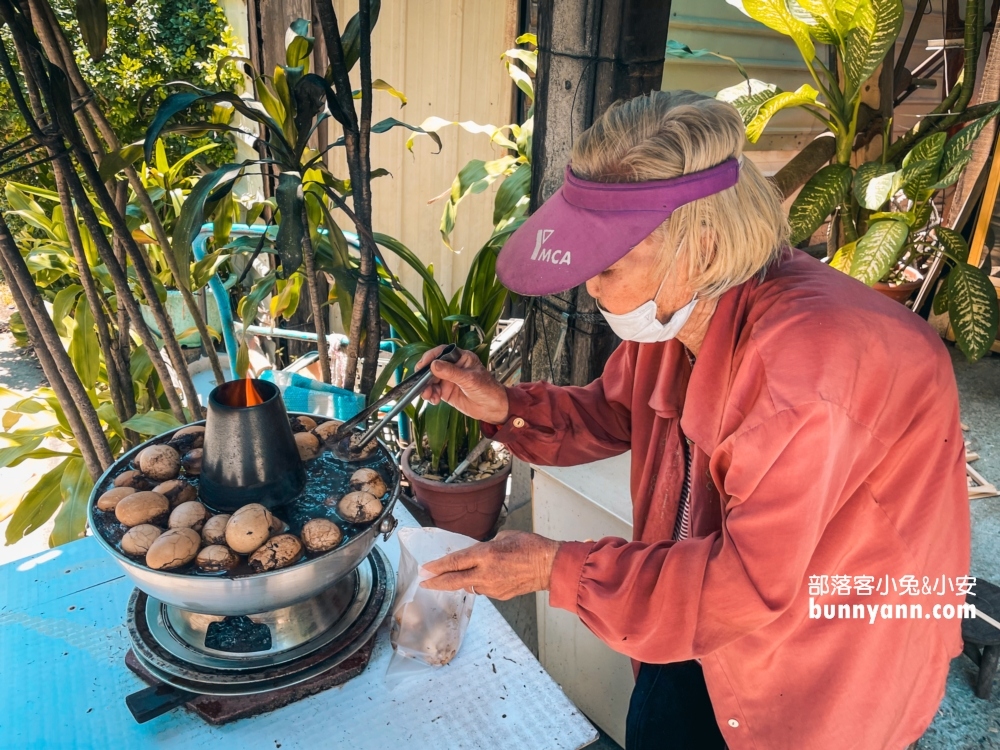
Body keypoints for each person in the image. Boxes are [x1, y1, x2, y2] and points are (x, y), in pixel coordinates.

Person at [415, 90, 969, 750]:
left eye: (610, 264)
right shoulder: (685, 312)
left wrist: (553, 570)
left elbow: (743, 587)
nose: (589, 282)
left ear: (700, 247)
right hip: (697, 593)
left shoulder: (805, 371)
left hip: (824, 643)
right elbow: (614, 411)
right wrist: (504, 407)